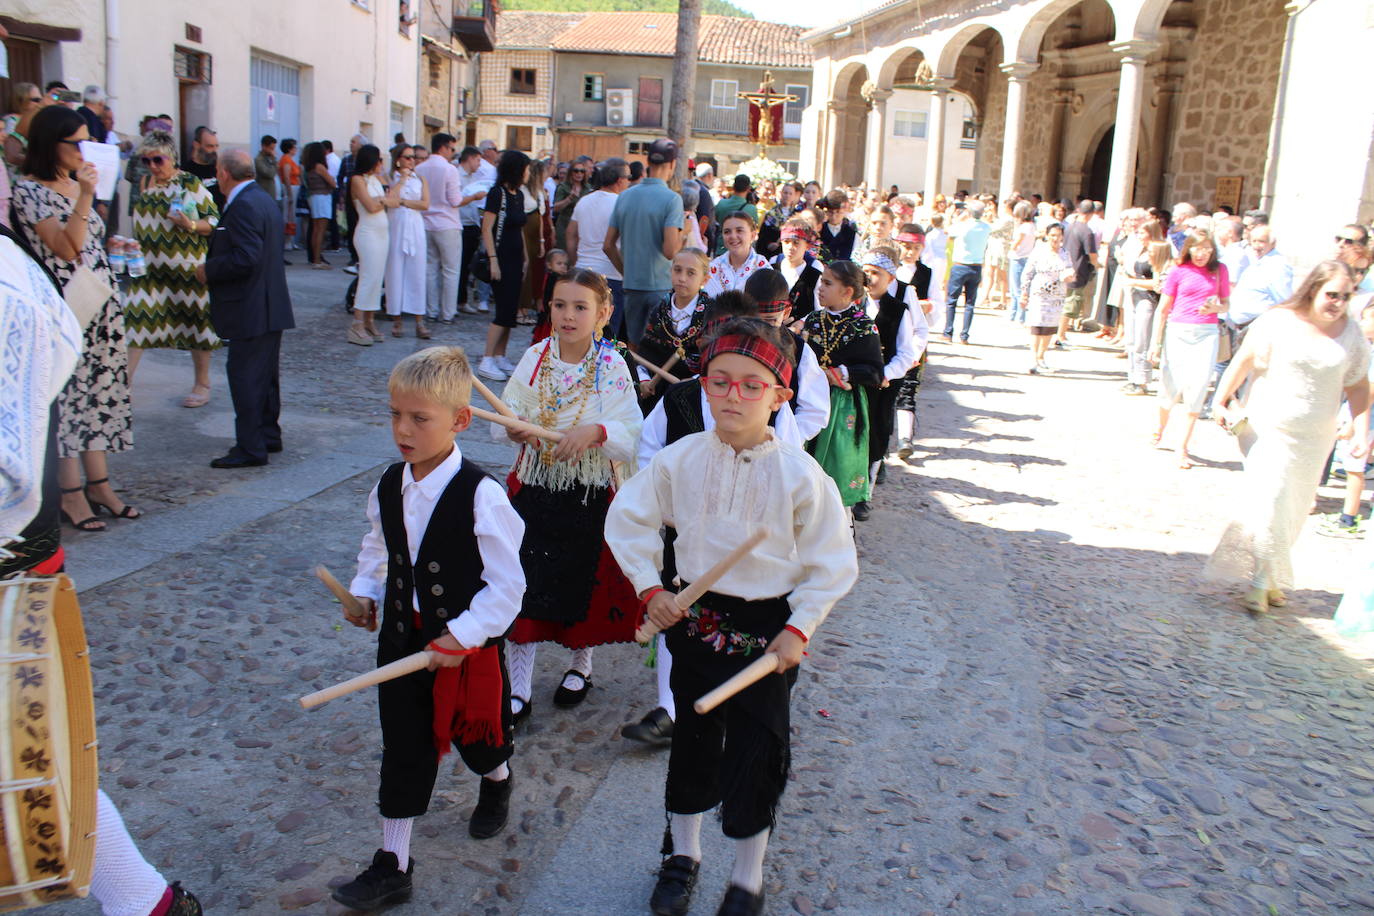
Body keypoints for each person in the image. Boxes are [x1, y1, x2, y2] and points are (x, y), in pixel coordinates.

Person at [605, 316, 858, 916]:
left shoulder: (801, 475)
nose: (732, 396)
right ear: (703, 386)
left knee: (755, 751)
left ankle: (748, 877)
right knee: (693, 743)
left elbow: (833, 560)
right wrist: (650, 588)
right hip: (696, 620)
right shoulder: (680, 459)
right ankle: (683, 856)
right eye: (719, 382)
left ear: (780, 395)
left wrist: (800, 627)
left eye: (751, 385)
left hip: (769, 633)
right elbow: (629, 518)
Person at [0, 217, 205, 916]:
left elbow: (13, 455)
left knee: (32, 753)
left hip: (9, 557)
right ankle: (145, 900)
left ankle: (144, 900)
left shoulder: (9, 278)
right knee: (29, 755)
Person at [336, 347, 524, 910]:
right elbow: (379, 549)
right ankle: (393, 863)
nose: (403, 430)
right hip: (401, 640)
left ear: (460, 420)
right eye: (395, 415)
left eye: (420, 418)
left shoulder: (481, 494)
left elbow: (508, 587)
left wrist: (463, 634)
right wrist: (365, 594)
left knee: (478, 739)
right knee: (404, 746)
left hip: (466, 647)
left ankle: (498, 780)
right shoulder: (388, 484)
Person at [493, 269, 642, 722]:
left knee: (584, 582)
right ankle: (519, 685)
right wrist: (515, 429)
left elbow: (631, 432)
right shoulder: (535, 357)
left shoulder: (612, 365)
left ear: (604, 313)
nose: (568, 315)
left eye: (580, 307)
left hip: (588, 492)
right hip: (535, 485)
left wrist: (596, 431)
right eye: (560, 305)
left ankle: (581, 665)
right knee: (525, 581)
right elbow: (507, 414)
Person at [1207, 261, 1371, 613]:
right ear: (1313, 289)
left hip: (1315, 437)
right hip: (1268, 427)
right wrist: (1220, 400)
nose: (1338, 303)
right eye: (1332, 294)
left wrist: (1361, 431)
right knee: (1272, 499)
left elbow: (1358, 385)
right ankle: (1260, 582)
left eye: (1346, 297)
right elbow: (1244, 360)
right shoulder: (1278, 321)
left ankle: (1269, 575)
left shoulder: (1351, 334)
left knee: (1292, 508)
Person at [12, 105, 137, 531]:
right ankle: (70, 494)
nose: (85, 151)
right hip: (66, 308)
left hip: (100, 305)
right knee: (68, 397)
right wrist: (85, 196)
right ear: (53, 144)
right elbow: (67, 249)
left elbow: (90, 241)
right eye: (77, 143)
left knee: (98, 396)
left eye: (89, 141)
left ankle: (99, 485)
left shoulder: (73, 183)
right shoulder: (29, 190)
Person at [196, 149, 295, 468]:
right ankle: (268, 434)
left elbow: (246, 257)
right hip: (268, 303)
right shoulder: (262, 199)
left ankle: (251, 446)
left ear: (223, 173)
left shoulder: (244, 204)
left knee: (245, 377)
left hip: (251, 305)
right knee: (264, 376)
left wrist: (209, 270)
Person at [123, 130, 221, 408]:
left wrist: (190, 224)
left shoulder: (189, 183)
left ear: (172, 158)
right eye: (147, 160)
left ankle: (202, 383)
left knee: (196, 325)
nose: (152, 166)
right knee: (135, 323)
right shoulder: (145, 183)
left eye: (158, 160)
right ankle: (121, 386)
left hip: (186, 268)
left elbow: (213, 221)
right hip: (148, 269)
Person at [804, 260, 885, 513]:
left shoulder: (863, 326)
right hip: (809, 398)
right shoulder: (814, 320)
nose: (820, 288)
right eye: (821, 281)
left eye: (828, 283)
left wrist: (841, 373)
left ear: (847, 291)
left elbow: (875, 372)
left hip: (842, 406)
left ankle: (840, 517)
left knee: (837, 461)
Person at [1150, 231, 1230, 469]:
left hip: (1207, 333)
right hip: (1178, 331)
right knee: (1170, 387)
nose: (1201, 253)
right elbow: (1163, 309)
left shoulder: (1220, 270)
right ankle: (1160, 428)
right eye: (1197, 248)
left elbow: (1226, 304)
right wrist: (1155, 343)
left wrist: (1216, 308)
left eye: (1206, 248)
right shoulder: (1178, 270)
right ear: (1188, 249)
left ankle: (1182, 446)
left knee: (1198, 387)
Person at [858, 249, 925, 519]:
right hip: (855, 383)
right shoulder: (855, 305)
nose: (870, 278)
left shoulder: (898, 310)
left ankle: (865, 492)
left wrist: (888, 373)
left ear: (890, 278)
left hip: (884, 384)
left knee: (877, 433)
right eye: (866, 272)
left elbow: (906, 352)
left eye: (876, 273)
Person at [604, 138, 685, 346]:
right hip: (661, 284)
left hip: (632, 284)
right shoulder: (672, 199)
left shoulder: (625, 196)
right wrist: (684, 234)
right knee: (658, 349)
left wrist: (626, 272)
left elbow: (608, 245)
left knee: (633, 345)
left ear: (648, 161)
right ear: (672, 164)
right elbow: (670, 250)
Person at [1318, 299, 1374, 538]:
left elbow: (1368, 393)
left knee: (1354, 469)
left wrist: (1353, 423)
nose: (1361, 323)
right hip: (1362, 419)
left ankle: (1348, 519)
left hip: (1363, 421)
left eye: (1367, 319)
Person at [476, 149, 530, 380]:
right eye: (526, 169)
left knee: (510, 312)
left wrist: (526, 256)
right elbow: (487, 228)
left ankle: (500, 355)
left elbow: (520, 229)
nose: (528, 173)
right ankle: (487, 358)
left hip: (516, 258)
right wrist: (493, 260)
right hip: (501, 258)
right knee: (503, 311)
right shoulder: (497, 193)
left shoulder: (519, 195)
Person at [636, 247, 712, 408]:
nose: (682, 278)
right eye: (677, 270)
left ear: (704, 280)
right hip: (656, 393)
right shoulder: (659, 311)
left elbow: (715, 361)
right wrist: (644, 380)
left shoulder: (712, 315)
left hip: (696, 397)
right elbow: (645, 354)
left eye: (691, 273)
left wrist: (695, 382)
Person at [568, 158, 629, 335]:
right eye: (628, 177)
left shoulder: (584, 200)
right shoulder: (621, 203)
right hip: (611, 274)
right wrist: (625, 271)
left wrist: (575, 261)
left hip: (582, 270)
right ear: (620, 180)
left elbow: (570, 234)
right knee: (606, 333)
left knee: (579, 328)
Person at [347, 143, 397, 345]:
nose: (381, 163)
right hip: (368, 234)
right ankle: (357, 323)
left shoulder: (376, 178)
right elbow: (370, 206)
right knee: (368, 278)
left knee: (377, 278)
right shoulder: (357, 179)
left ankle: (369, 320)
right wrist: (383, 200)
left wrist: (382, 198)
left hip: (382, 233)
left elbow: (392, 197)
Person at [413, 132, 464, 323]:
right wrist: (473, 197)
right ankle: (448, 312)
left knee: (430, 268)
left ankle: (431, 310)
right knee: (451, 270)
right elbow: (455, 200)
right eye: (452, 149)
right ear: (443, 148)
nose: (453, 152)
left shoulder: (420, 168)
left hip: (425, 222)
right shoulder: (449, 169)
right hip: (447, 222)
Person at [384, 143, 431, 339]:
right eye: (408, 157)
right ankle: (396, 319)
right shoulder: (389, 178)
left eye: (414, 157)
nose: (412, 161)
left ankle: (419, 320)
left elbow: (425, 204)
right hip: (396, 225)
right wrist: (402, 181)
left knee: (417, 272)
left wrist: (403, 202)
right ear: (398, 160)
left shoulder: (420, 179)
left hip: (414, 226)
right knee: (394, 272)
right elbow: (389, 199)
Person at [1121, 220, 1173, 395]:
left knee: (1142, 341)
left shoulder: (1159, 250)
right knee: (1132, 339)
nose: (1139, 236)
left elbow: (1157, 283)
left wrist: (1133, 281)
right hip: (1135, 296)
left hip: (1148, 299)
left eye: (1142, 233)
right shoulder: (1143, 250)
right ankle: (1133, 377)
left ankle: (1141, 380)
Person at [1018, 224, 1075, 375]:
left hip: (1057, 295)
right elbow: (1028, 272)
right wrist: (1024, 292)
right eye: (1052, 235)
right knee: (1037, 325)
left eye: (1058, 235)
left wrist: (1069, 275)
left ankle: (1041, 356)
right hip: (1039, 293)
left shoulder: (1065, 253)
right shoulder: (1039, 251)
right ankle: (1033, 359)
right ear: (1047, 235)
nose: (1055, 238)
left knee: (1049, 327)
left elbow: (1070, 269)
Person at [942, 201, 991, 344]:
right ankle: (964, 336)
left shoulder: (962, 226)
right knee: (970, 303)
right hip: (976, 266)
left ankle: (948, 332)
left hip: (960, 265)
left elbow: (947, 230)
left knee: (952, 301)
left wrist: (956, 217)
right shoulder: (986, 227)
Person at [457, 145, 495, 315]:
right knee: (460, 265)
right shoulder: (456, 176)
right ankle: (458, 300)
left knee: (467, 265)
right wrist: (474, 197)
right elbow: (457, 200)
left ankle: (462, 299)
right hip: (461, 223)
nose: (480, 164)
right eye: (478, 160)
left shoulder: (474, 177)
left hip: (472, 222)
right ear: (470, 158)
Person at [517, 159, 552, 326]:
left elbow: (541, 218)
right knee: (525, 271)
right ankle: (519, 310)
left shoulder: (539, 192)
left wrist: (542, 241)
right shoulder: (523, 191)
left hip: (535, 236)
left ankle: (525, 308)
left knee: (533, 272)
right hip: (525, 233)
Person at [705, 211, 769, 298]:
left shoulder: (764, 269)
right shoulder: (713, 267)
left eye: (739, 231)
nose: (733, 236)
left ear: (753, 235)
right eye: (727, 232)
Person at [770, 219, 822, 322]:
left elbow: (820, 310)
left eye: (796, 243)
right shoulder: (771, 270)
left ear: (807, 245)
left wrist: (802, 322)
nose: (790, 247)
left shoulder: (815, 276)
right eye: (786, 242)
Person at [300, 142, 336, 269]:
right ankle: (317, 260)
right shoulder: (320, 167)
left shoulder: (308, 167)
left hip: (313, 197)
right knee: (321, 230)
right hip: (322, 197)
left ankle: (315, 259)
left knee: (315, 229)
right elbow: (332, 183)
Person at [339, 133, 367, 271]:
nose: (351, 144)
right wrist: (341, 195)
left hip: (364, 197)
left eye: (353, 142)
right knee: (352, 226)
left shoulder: (366, 160)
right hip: (350, 197)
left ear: (361, 145)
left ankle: (362, 254)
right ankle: (353, 255)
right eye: (351, 142)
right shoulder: (346, 160)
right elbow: (340, 178)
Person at [551, 156, 590, 251]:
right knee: (564, 252)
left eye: (582, 171)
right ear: (570, 172)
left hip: (582, 226)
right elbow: (555, 208)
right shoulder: (563, 187)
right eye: (576, 171)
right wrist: (569, 198)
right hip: (565, 224)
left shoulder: (588, 188)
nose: (579, 174)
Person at [713, 174, 758, 255]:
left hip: (722, 247)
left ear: (733, 186)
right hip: (741, 250)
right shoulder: (751, 209)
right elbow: (754, 228)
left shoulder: (721, 203)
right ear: (748, 189)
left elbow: (714, 220)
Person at [183, 126, 224, 211]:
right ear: (197, 145)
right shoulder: (186, 172)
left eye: (216, 146)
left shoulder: (221, 169)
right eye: (210, 146)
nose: (214, 150)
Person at [757, 180, 801, 257]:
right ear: (781, 194)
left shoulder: (797, 215)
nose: (787, 196)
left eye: (790, 193)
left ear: (794, 196)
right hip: (771, 252)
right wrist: (769, 244)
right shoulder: (771, 213)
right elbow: (763, 234)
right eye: (785, 193)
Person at [818, 190, 858, 263]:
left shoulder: (852, 233)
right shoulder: (819, 230)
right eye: (830, 212)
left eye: (838, 212)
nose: (834, 216)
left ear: (845, 210)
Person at [278, 138, 300, 250]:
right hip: (290, 188)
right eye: (294, 147)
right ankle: (287, 241)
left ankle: (290, 240)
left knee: (291, 214)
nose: (296, 149)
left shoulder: (289, 159)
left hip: (293, 187)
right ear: (289, 148)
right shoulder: (286, 160)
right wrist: (290, 194)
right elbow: (286, 177)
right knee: (288, 214)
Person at [254, 135, 278, 201]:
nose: (273, 151)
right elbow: (270, 174)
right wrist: (273, 160)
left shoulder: (269, 157)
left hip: (271, 194)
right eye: (271, 148)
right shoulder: (258, 160)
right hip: (264, 194)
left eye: (273, 149)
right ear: (263, 146)